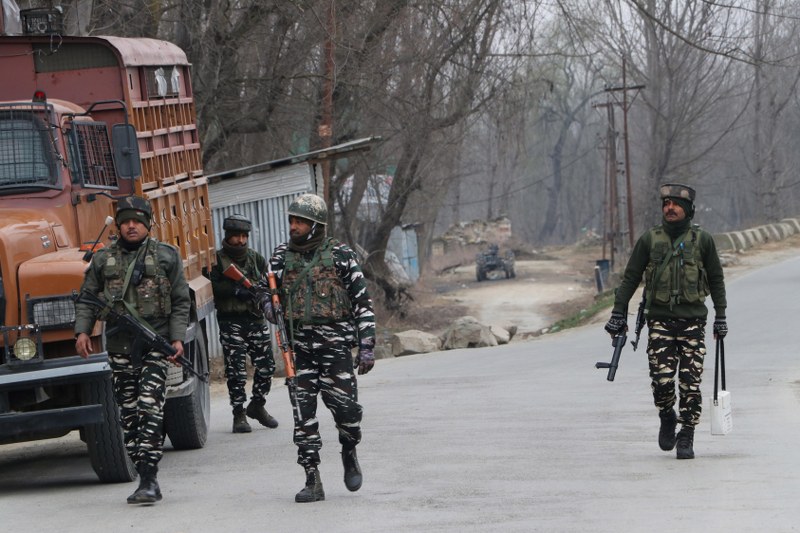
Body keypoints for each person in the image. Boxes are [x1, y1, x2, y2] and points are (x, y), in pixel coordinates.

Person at [75, 195, 191, 504]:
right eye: (125, 221)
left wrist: (177, 338)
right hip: (119, 346)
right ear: (119, 225)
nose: (130, 226)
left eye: (137, 221)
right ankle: (143, 473)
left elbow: (181, 300)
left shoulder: (166, 257)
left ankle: (149, 478)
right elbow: (87, 299)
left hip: (155, 343)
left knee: (149, 406)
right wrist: (82, 332)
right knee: (129, 415)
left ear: (147, 224)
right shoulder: (102, 260)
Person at [604, 183, 727, 460]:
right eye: (666, 204)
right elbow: (630, 278)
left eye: (675, 204)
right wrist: (618, 312)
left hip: (693, 323)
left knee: (690, 383)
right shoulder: (650, 239)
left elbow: (717, 279)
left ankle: (687, 435)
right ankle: (667, 415)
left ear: (688, 210)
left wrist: (721, 316)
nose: (669, 208)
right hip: (659, 322)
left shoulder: (702, 240)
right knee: (661, 382)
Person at [268, 193, 376, 503]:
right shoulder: (279, 257)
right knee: (303, 416)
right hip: (298, 349)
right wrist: (267, 305)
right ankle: (312, 478)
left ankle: (349, 448)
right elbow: (265, 293)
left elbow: (362, 302)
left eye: (300, 221)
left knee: (347, 412)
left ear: (315, 225)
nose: (294, 226)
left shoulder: (341, 255)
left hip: (335, 348)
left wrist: (366, 344)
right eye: (291, 220)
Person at [209, 214, 278, 433]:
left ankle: (257, 405)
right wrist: (236, 290)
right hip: (231, 322)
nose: (240, 241)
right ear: (227, 236)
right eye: (235, 236)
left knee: (267, 365)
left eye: (243, 236)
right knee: (237, 370)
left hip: (255, 320)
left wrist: (262, 297)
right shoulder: (217, 261)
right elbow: (213, 287)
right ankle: (238, 414)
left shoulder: (256, 259)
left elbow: (269, 284)